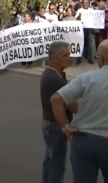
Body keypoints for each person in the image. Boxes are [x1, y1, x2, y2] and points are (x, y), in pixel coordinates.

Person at [50, 40, 108, 183]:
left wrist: (65, 126)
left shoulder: (87, 78)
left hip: (84, 142)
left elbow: (56, 99)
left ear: (100, 59)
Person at [40, 42, 77, 183]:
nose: (69, 58)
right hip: (55, 127)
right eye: (65, 55)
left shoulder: (55, 73)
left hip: (50, 126)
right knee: (57, 166)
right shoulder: (54, 78)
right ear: (54, 59)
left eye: (69, 54)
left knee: (50, 161)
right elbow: (72, 105)